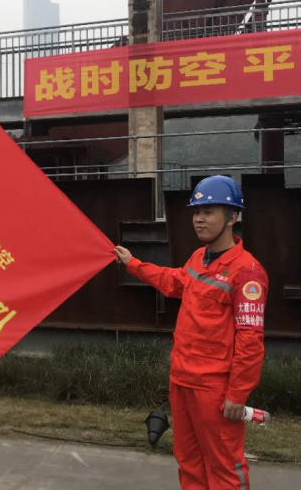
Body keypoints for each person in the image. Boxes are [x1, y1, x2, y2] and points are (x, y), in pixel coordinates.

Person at [114, 175, 267, 490]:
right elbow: (175, 282)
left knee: (225, 467)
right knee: (189, 462)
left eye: (209, 211)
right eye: (196, 212)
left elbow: (250, 341)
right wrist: (133, 264)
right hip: (182, 380)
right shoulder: (199, 258)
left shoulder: (247, 273)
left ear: (233, 217)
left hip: (214, 389)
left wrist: (237, 394)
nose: (199, 219)